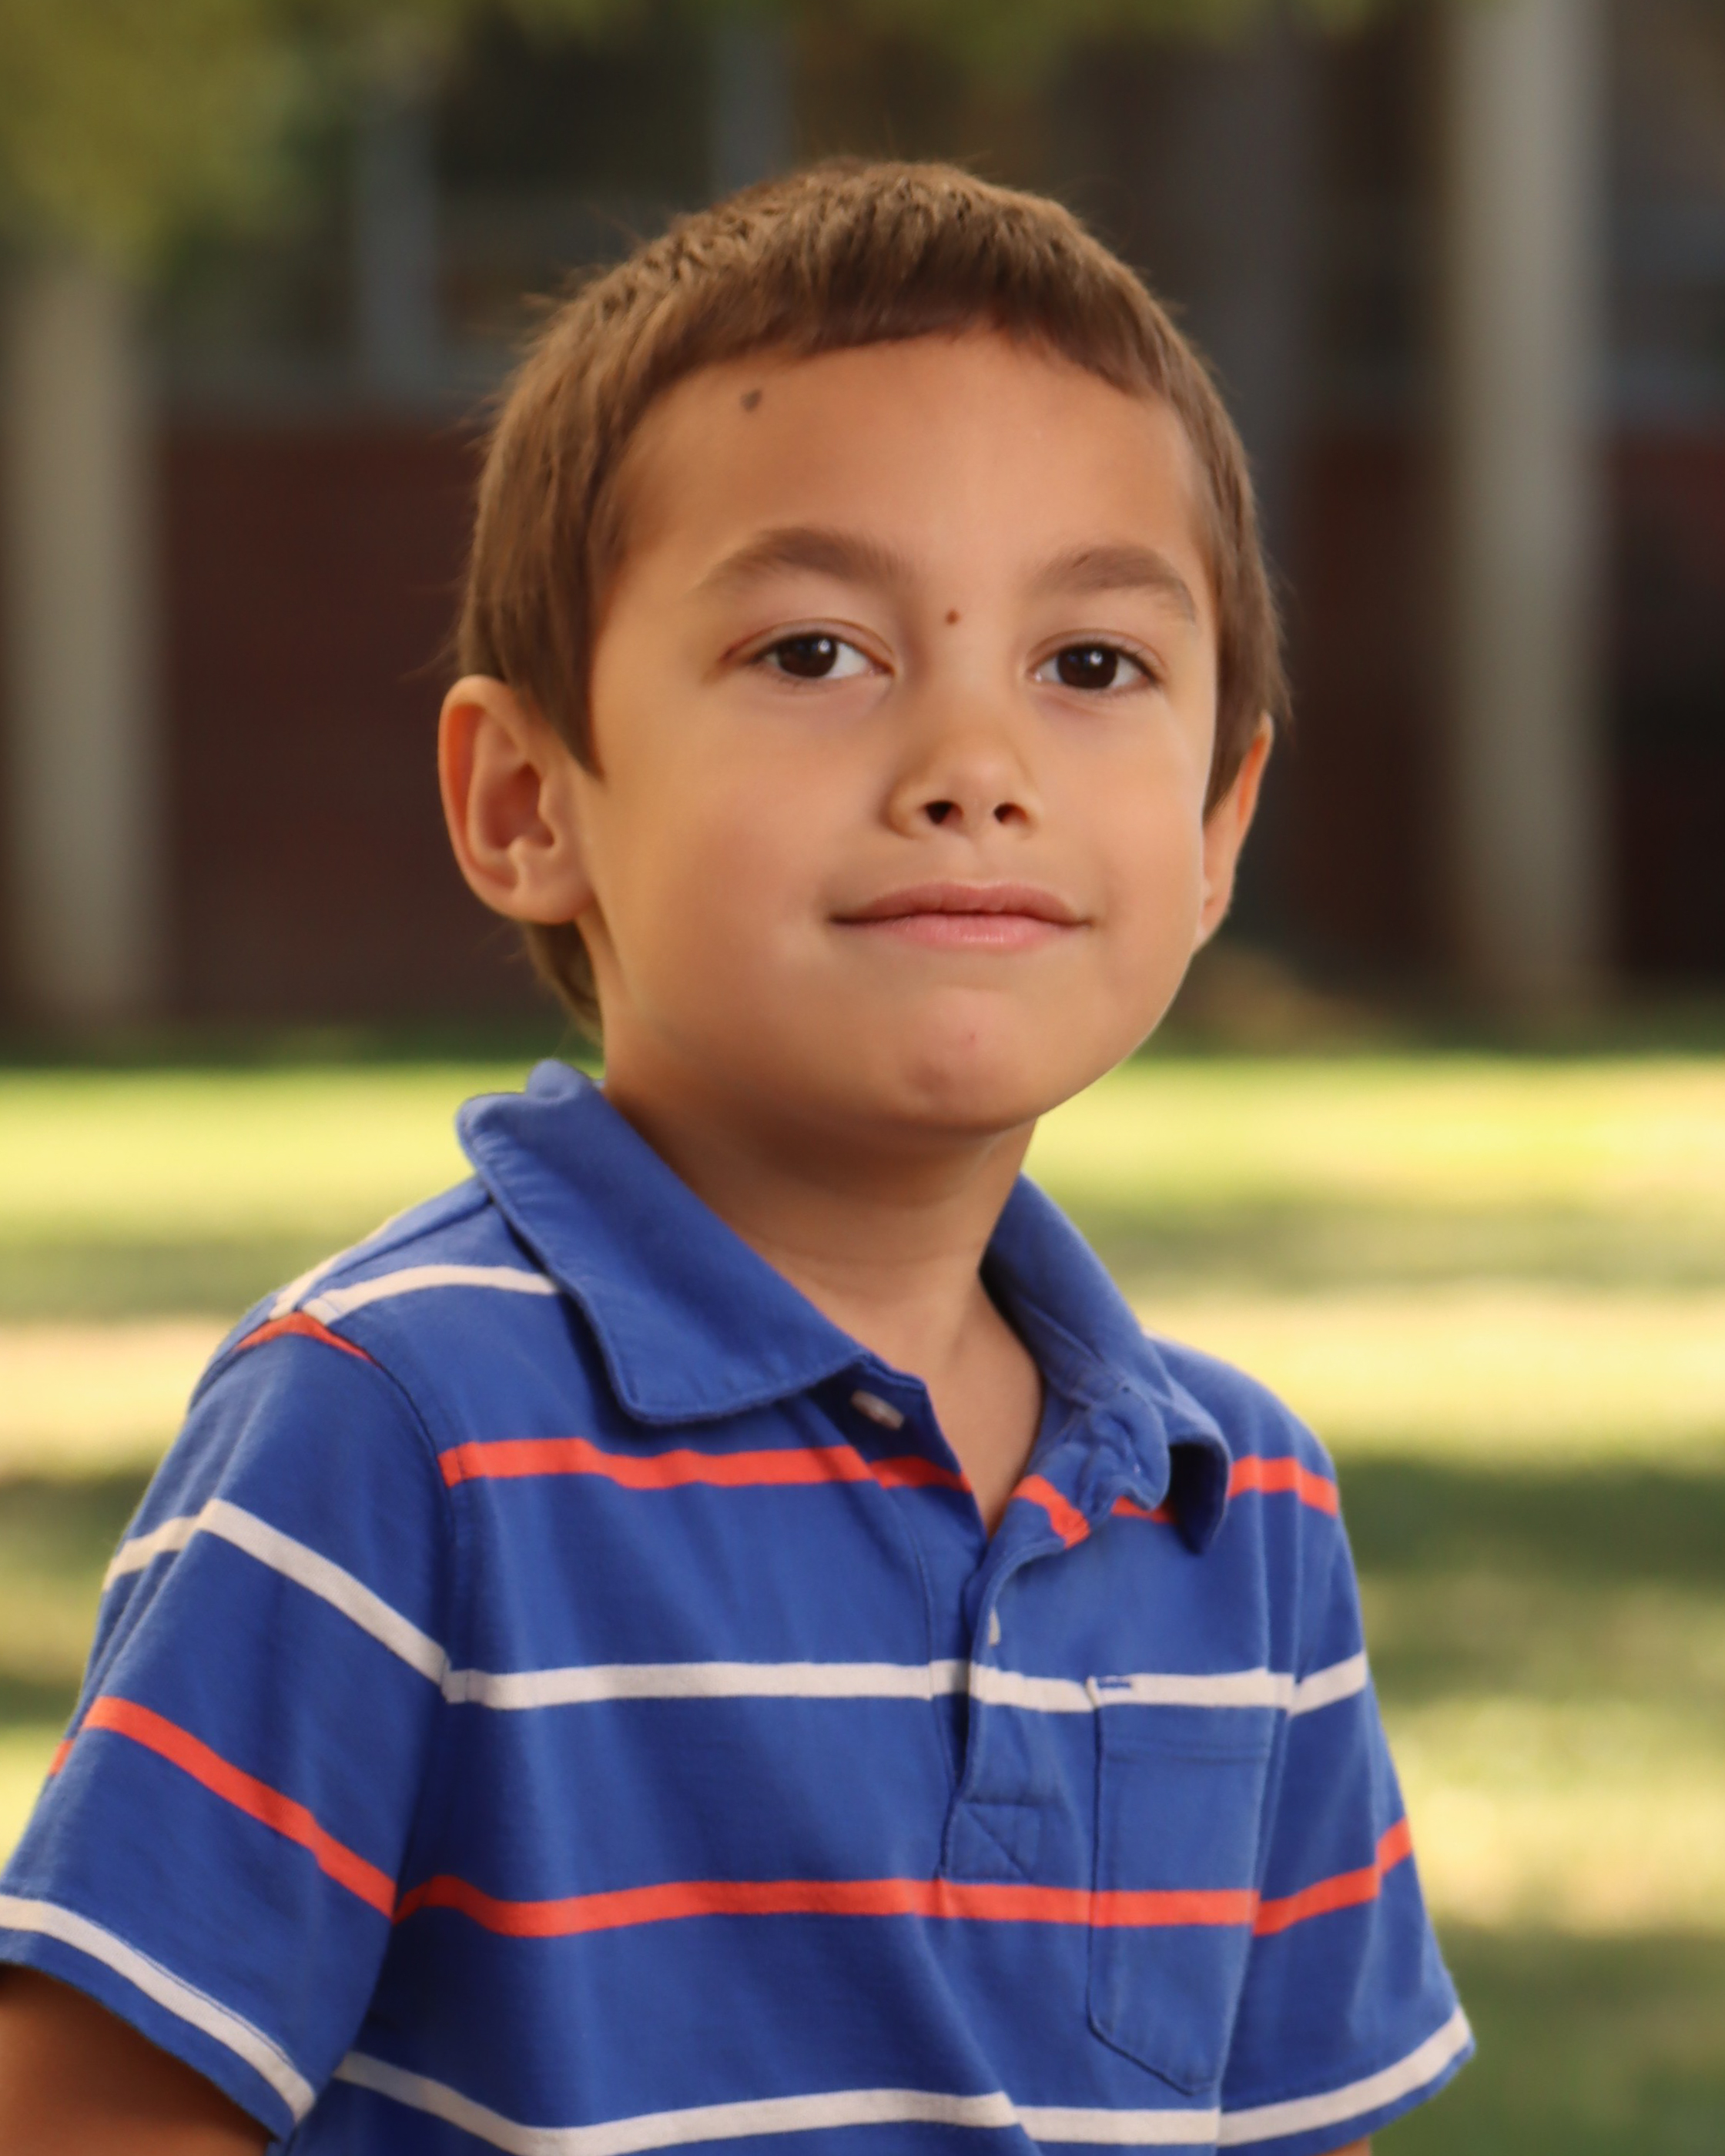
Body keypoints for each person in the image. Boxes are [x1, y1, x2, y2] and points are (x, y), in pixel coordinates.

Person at [0, 162, 1468, 2155]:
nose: (975, 766)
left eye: (1091, 666)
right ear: (528, 800)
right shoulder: (392, 1428)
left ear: (1219, 828)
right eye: (813, 654)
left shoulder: (1241, 1509)